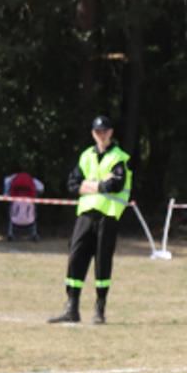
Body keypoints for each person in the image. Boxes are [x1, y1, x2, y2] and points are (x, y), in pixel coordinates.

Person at [49, 116, 130, 325]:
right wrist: (100, 185)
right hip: (86, 214)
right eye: (97, 131)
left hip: (108, 215)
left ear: (111, 132)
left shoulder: (119, 157)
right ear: (93, 133)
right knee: (76, 256)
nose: (101, 135)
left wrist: (89, 185)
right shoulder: (86, 156)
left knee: (102, 261)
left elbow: (116, 185)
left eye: (104, 131)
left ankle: (99, 309)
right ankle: (71, 307)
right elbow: (72, 184)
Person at [4, 170, 44, 242]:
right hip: (29, 206)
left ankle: (10, 233)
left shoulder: (10, 179)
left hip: (15, 205)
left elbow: (6, 193)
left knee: (11, 214)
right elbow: (41, 188)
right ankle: (34, 234)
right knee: (33, 214)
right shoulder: (33, 180)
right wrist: (36, 195)